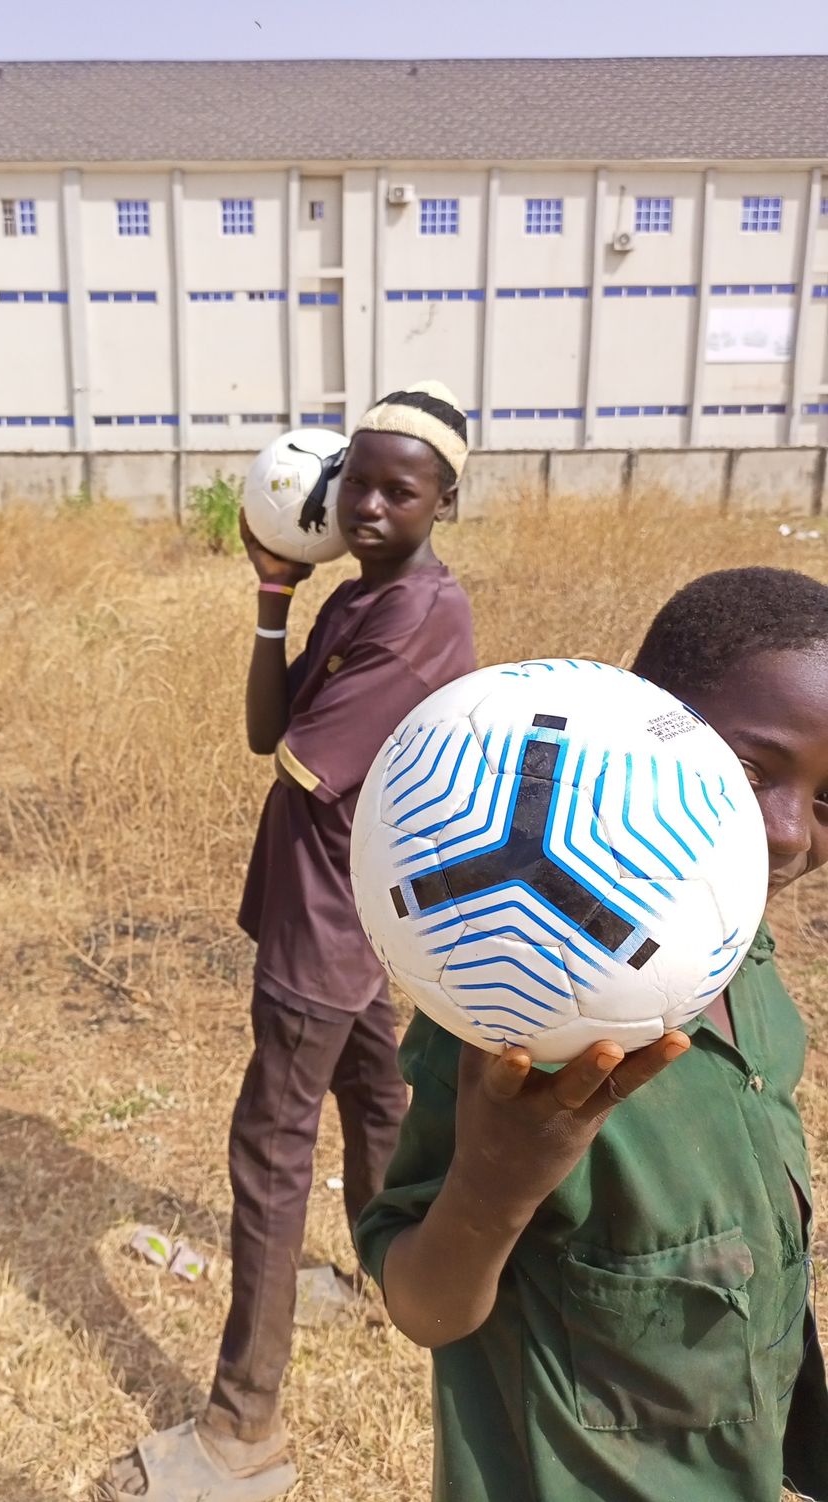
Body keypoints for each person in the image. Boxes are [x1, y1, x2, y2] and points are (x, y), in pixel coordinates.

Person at [355, 564, 828, 1502]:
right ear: (638, 728)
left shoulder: (742, 951)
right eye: (752, 772)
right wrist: (496, 1182)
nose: (787, 834)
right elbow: (424, 1307)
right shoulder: (517, 1018)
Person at [103, 383, 477, 1500]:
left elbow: (303, 759)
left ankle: (241, 1429)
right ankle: (384, 1274)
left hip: (329, 916)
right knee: (375, 1096)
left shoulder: (422, 616)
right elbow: (265, 724)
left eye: (398, 490)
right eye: (355, 480)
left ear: (444, 502)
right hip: (340, 903)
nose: (367, 505)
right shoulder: (363, 597)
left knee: (270, 1148)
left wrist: (306, 659)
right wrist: (274, 592)